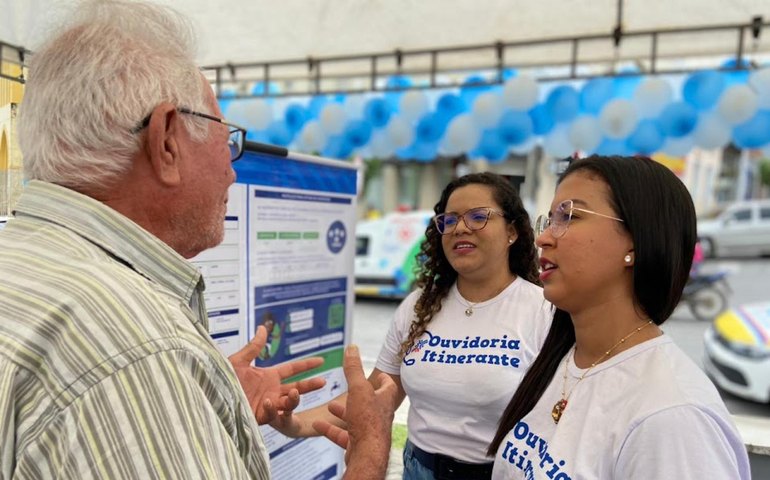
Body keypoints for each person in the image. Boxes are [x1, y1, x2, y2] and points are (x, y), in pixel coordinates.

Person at [0, 1, 393, 479]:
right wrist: (370, 450)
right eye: (225, 139)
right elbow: (121, 370)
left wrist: (203, 396)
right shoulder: (138, 350)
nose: (231, 170)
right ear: (166, 140)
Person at [272, 172, 553, 479]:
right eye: (450, 220)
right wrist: (296, 423)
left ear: (512, 231)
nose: (460, 227)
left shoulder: (543, 310)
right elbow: (376, 396)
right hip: (418, 470)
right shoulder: (418, 306)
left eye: (478, 217)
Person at [489, 155, 751, 479]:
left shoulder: (672, 416)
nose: (543, 238)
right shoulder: (567, 357)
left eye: (569, 215)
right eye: (549, 219)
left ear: (635, 240)